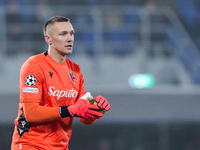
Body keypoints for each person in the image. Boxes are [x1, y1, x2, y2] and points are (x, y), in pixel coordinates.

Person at [11, 15, 111, 150]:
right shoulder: (34, 66)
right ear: (49, 39)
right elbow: (31, 113)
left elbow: (83, 117)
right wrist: (69, 110)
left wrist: (95, 108)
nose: (70, 38)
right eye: (63, 34)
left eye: (71, 33)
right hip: (31, 144)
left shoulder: (75, 70)